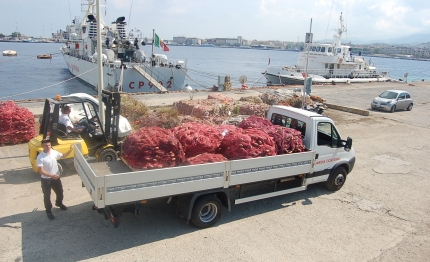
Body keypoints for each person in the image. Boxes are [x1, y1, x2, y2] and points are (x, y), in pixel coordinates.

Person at [37, 139, 74, 220]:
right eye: (46, 145)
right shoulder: (40, 157)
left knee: (60, 192)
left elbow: (63, 156)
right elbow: (41, 170)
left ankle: (59, 203)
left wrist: (70, 150)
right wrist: (51, 175)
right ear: (42, 146)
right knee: (47, 196)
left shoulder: (53, 152)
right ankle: (48, 211)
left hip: (56, 178)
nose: (48, 147)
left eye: (49, 145)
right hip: (46, 180)